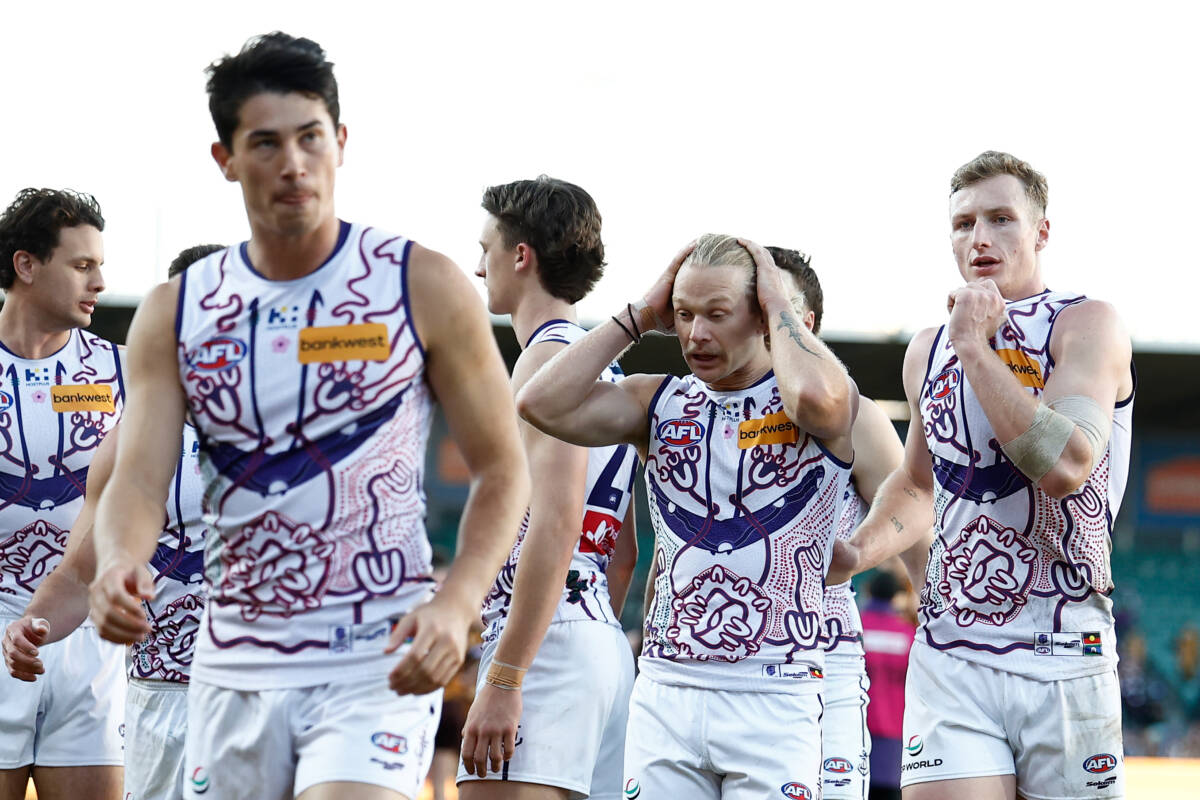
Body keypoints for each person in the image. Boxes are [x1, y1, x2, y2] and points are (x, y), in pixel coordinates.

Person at [86, 32, 529, 800]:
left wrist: (457, 602)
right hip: (232, 665)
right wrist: (121, 561)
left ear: (341, 143)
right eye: (265, 143)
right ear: (224, 158)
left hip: (375, 656)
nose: (293, 163)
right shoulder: (174, 312)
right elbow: (137, 482)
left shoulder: (420, 283)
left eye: (310, 138)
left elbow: (502, 468)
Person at [832, 151, 1134, 800]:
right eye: (964, 223)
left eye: (1001, 219)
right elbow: (917, 486)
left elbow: (1065, 465)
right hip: (953, 648)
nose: (980, 238)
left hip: (1063, 648)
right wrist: (858, 550)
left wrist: (975, 345)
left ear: (1041, 232)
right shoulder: (925, 349)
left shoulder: (1086, 324)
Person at [518, 234, 857, 799]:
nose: (696, 335)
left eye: (717, 315)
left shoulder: (810, 398)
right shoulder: (658, 402)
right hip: (667, 691)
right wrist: (639, 314)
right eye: (683, 316)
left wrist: (778, 306)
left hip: (776, 691)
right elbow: (539, 403)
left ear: (759, 316)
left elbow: (823, 402)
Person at [3, 244, 222, 800]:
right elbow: (81, 571)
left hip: (262, 694)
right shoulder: (136, 432)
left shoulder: (306, 420)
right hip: (156, 695)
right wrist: (35, 625)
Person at [457, 177, 639, 800]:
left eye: (484, 249)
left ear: (521, 255)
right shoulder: (602, 365)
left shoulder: (544, 361)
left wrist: (506, 675)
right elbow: (623, 551)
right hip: (596, 637)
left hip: (546, 642)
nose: (476, 267)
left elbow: (555, 521)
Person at [765, 246, 907, 800]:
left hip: (824, 669)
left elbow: (917, 528)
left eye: (779, 305)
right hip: (715, 672)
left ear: (810, 322)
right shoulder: (705, 415)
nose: (766, 319)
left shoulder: (858, 417)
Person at [0, 188, 124, 800]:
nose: (99, 280)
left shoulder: (126, 371)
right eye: (82, 265)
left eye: (99, 264)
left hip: (88, 637)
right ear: (26, 265)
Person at [859, 570, 916, 800]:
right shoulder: (907, 634)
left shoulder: (856, 629)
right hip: (894, 730)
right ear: (895, 597)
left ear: (869, 591)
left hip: (856, 726)